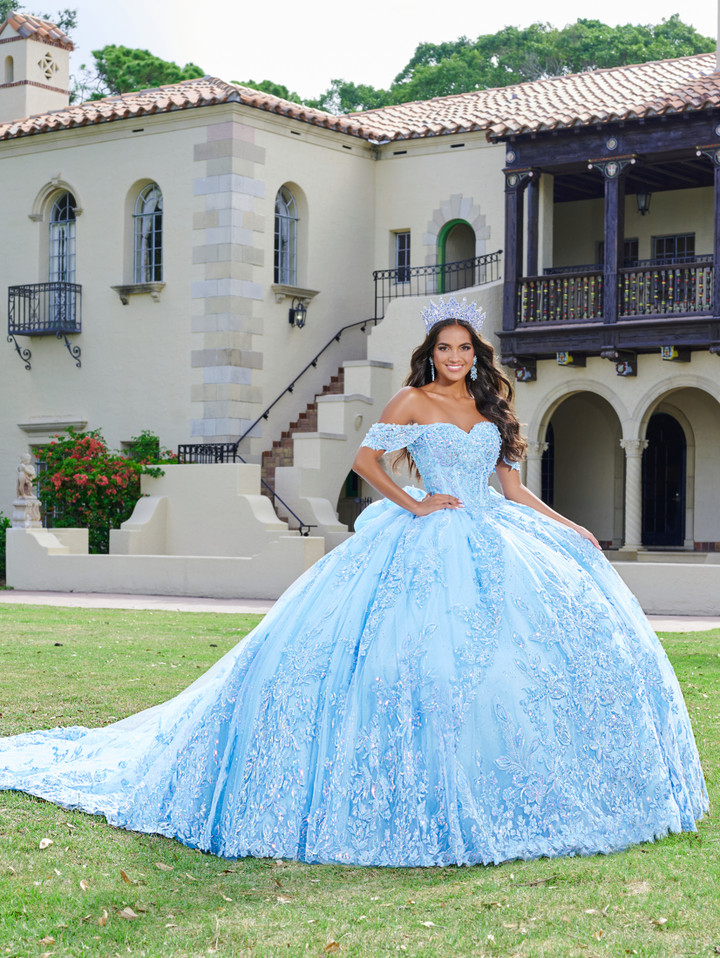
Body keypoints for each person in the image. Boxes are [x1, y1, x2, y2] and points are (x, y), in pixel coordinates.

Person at [0, 297, 708, 868]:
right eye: (444, 349)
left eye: (464, 349)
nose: (455, 359)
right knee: (418, 657)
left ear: (476, 355)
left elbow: (512, 487)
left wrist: (568, 525)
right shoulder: (411, 402)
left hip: (498, 529)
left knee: (520, 660)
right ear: (430, 355)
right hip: (431, 532)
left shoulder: (492, 406)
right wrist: (418, 503)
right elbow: (367, 466)